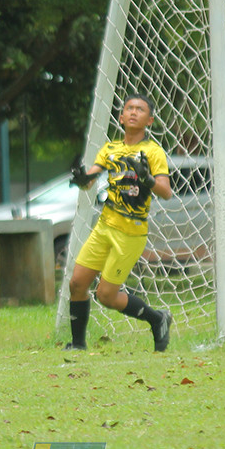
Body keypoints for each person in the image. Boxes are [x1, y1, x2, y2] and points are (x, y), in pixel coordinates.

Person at [66, 93, 174, 352]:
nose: (134, 112)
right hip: (104, 226)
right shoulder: (109, 149)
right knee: (77, 284)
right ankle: (78, 345)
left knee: (106, 295)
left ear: (150, 120)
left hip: (130, 233)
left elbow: (166, 191)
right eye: (129, 108)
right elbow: (91, 180)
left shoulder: (153, 152)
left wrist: (147, 179)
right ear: (121, 116)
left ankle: (157, 318)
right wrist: (82, 178)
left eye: (140, 109)